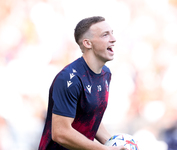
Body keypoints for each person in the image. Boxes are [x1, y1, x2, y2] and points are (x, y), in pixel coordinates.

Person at [38, 16, 126, 150]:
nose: (113, 39)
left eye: (112, 33)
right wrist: (104, 149)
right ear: (87, 43)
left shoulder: (105, 74)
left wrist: (115, 143)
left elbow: (90, 117)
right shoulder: (69, 78)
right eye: (105, 35)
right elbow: (61, 133)